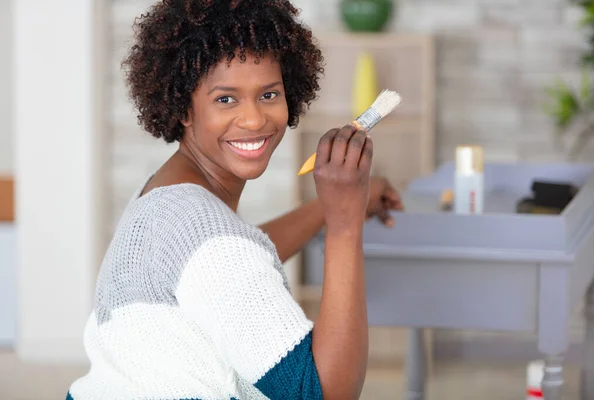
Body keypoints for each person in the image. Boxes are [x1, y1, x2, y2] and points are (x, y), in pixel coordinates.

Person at [66, 0, 403, 399]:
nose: (254, 120)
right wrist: (344, 224)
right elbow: (323, 393)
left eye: (269, 95)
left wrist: (328, 209)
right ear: (183, 108)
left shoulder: (169, 195)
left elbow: (235, 261)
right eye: (226, 99)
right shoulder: (214, 246)